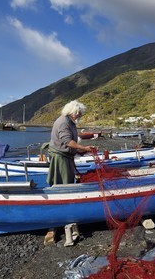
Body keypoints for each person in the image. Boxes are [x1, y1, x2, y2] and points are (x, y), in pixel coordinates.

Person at [44, 100, 96, 246]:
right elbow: (68, 142)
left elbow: (72, 143)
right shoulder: (63, 122)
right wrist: (84, 148)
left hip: (67, 156)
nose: (80, 115)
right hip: (60, 158)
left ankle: (65, 212)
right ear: (73, 112)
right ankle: (59, 215)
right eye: (79, 113)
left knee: (67, 182)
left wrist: (81, 150)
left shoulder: (71, 123)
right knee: (62, 185)